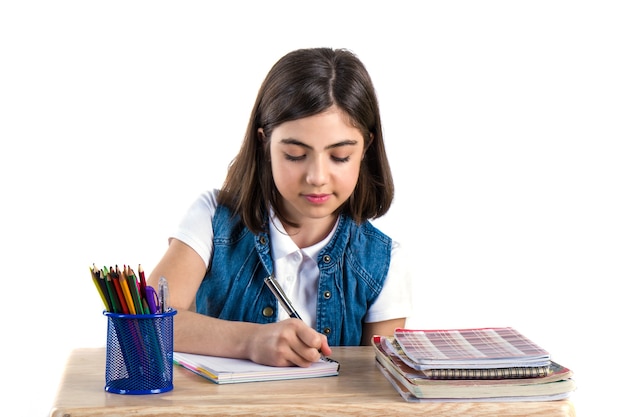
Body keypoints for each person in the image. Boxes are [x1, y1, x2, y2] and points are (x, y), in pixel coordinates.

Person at [147, 47, 412, 368]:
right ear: (265, 143)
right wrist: (250, 340)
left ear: (365, 149)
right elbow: (146, 323)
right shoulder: (212, 218)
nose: (316, 177)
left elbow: (382, 384)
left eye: (340, 156)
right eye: (295, 154)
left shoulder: (383, 262)